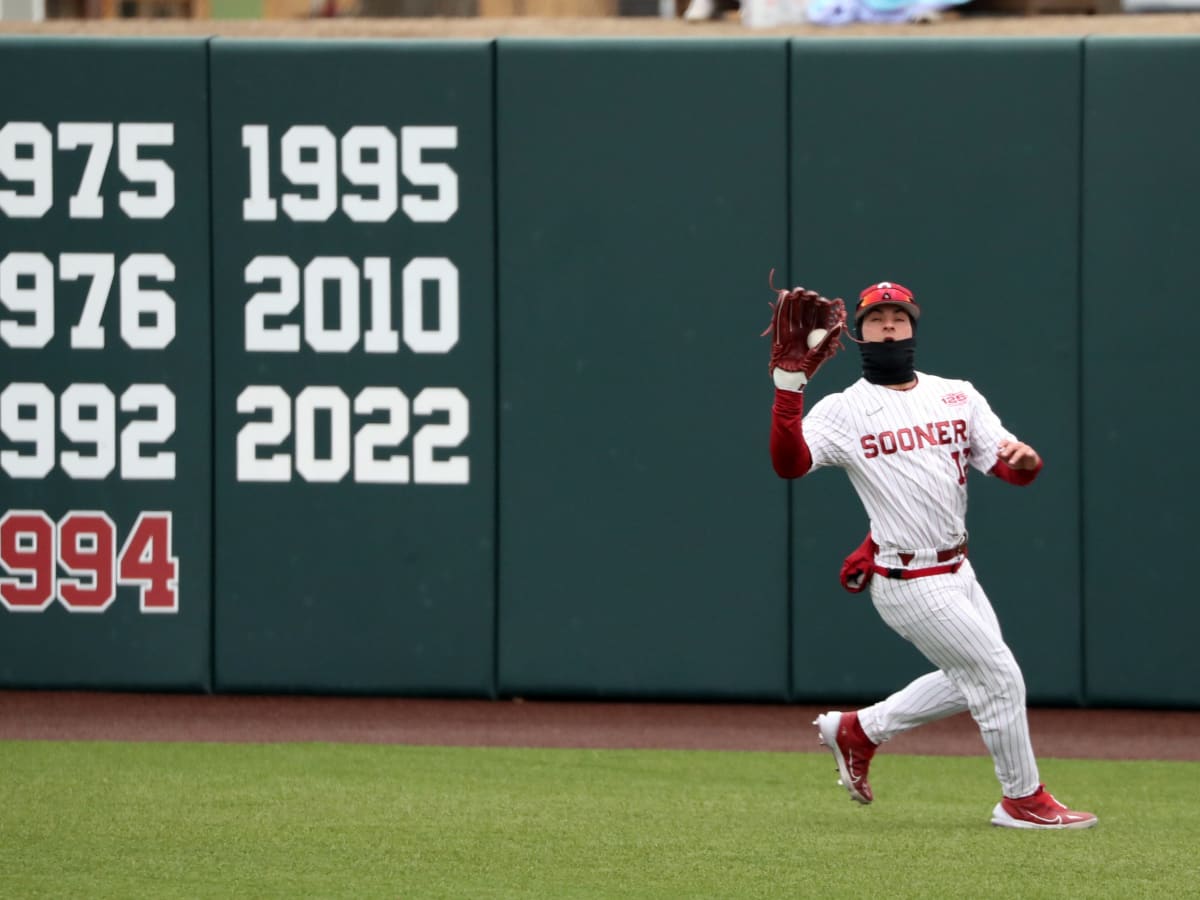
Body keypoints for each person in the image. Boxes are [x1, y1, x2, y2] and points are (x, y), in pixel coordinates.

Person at [765, 279, 1097, 830]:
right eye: (876, 318)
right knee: (999, 678)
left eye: (899, 315)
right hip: (906, 575)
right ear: (860, 334)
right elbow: (789, 464)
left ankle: (859, 729)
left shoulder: (958, 394)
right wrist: (787, 387)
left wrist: (1028, 460)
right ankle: (1022, 800)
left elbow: (1011, 469)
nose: (889, 324)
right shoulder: (844, 410)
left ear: (914, 327)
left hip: (958, 568)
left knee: (974, 675)